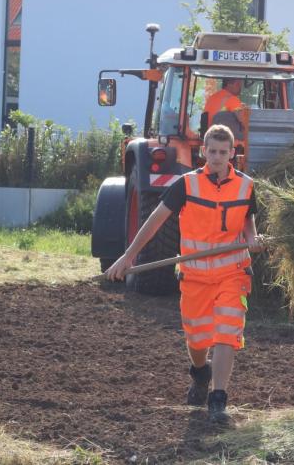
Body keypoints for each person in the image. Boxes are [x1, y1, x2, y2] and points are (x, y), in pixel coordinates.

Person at [105, 124, 261, 424]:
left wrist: (253, 240)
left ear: (232, 153)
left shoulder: (246, 185)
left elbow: (248, 222)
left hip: (233, 272)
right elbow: (155, 220)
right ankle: (200, 373)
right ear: (204, 151)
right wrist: (129, 255)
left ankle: (218, 399)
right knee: (198, 339)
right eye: (212, 151)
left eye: (223, 152)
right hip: (195, 275)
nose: (217, 157)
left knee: (227, 332)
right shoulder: (186, 184)